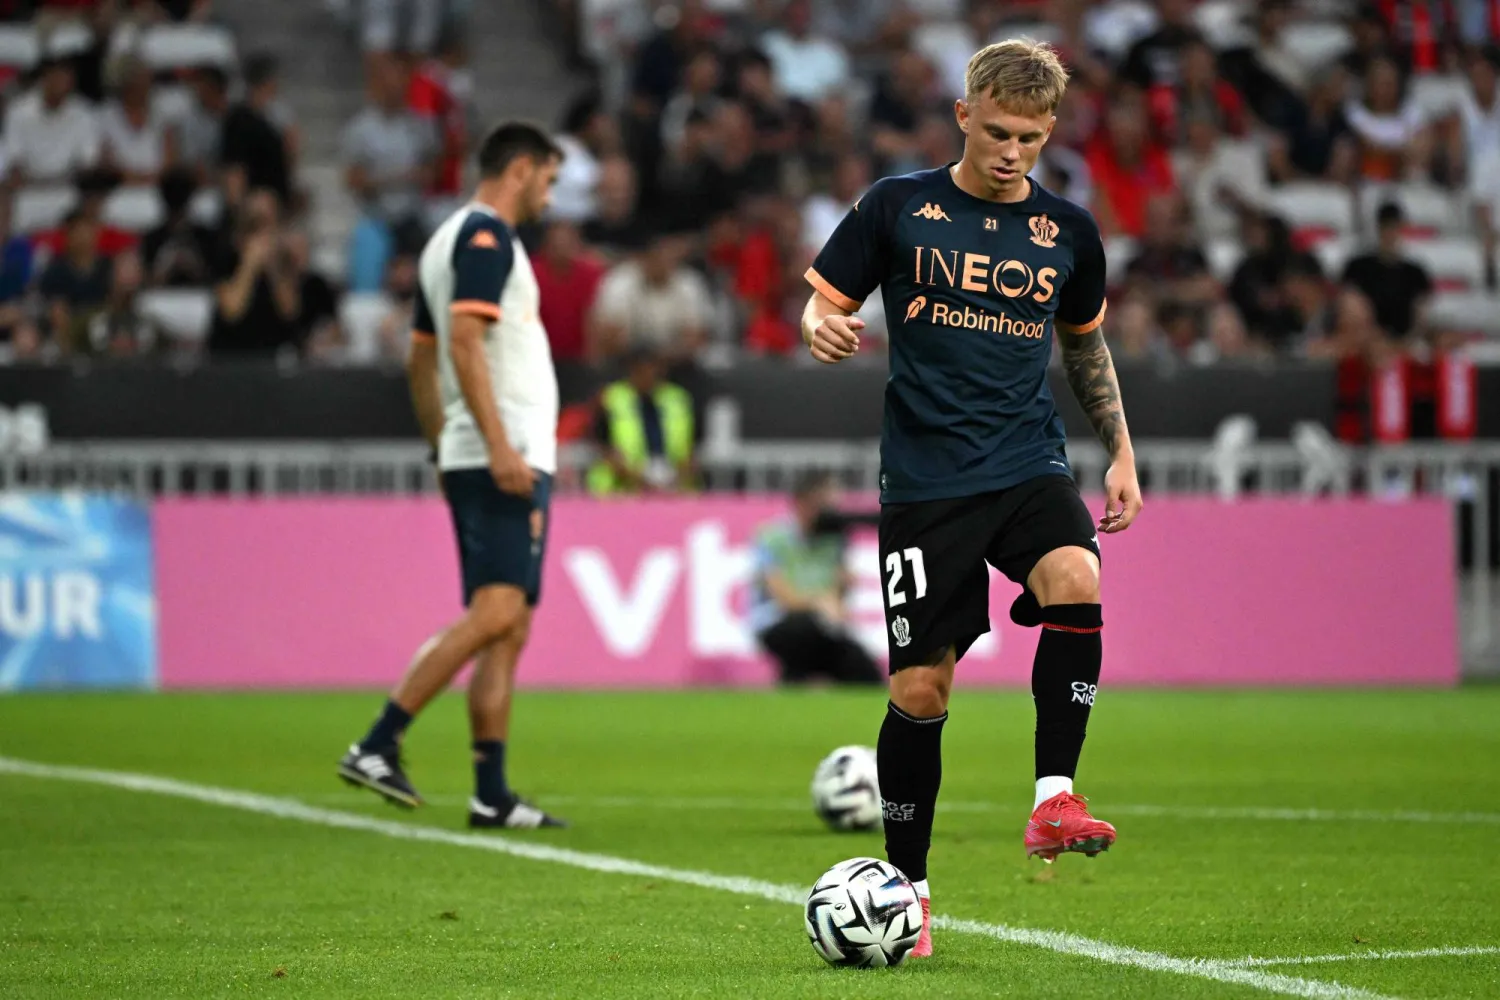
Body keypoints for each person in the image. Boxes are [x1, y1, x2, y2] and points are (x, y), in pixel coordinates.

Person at [800, 39, 1143, 959]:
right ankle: (908, 895)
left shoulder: (1067, 232)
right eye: (996, 131)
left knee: (1077, 572)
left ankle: (1053, 798)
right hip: (925, 484)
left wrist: (1120, 451)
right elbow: (823, 299)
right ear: (963, 116)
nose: (1011, 152)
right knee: (920, 687)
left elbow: (1084, 347)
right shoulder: (898, 206)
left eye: (1031, 137)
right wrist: (822, 323)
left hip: (1027, 461)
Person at [338, 122, 566, 831]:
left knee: (511, 626)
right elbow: (465, 341)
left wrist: (445, 448)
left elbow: (420, 357)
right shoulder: (487, 239)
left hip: (484, 451)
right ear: (521, 170)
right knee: (497, 614)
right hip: (507, 453)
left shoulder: (446, 241)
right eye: (550, 181)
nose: (550, 199)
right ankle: (378, 741)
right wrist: (495, 446)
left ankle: (490, 793)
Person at [748, 472, 882, 686]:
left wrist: (842, 589)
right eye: (824, 505)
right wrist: (820, 603)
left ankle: (795, 683)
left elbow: (838, 592)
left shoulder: (834, 539)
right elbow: (784, 598)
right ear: (803, 503)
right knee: (804, 630)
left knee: (865, 672)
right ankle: (797, 679)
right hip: (779, 623)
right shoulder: (773, 537)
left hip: (824, 627)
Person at [585, 347, 696, 495]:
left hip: (673, 484)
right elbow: (598, 443)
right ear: (632, 371)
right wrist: (633, 474)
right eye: (642, 372)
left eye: (653, 371)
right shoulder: (610, 398)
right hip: (619, 489)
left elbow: (692, 445)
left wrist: (679, 473)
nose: (648, 377)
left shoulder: (677, 399)